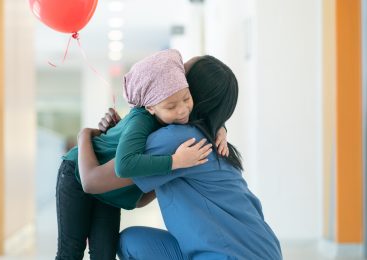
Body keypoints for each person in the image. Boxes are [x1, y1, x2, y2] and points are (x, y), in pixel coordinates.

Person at [79, 55, 282, 259]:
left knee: (129, 244)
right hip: (265, 249)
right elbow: (140, 198)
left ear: (190, 91)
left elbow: (92, 181)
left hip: (229, 255)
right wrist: (124, 133)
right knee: (131, 241)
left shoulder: (175, 139)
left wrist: (84, 135)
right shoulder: (208, 135)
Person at [56, 49, 224, 260]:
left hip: (107, 190)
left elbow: (204, 112)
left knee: (104, 253)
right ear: (151, 108)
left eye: (186, 99)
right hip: (76, 172)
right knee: (71, 250)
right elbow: (124, 165)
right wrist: (175, 161)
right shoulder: (142, 119)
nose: (182, 111)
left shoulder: (174, 113)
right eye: (171, 106)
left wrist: (220, 128)